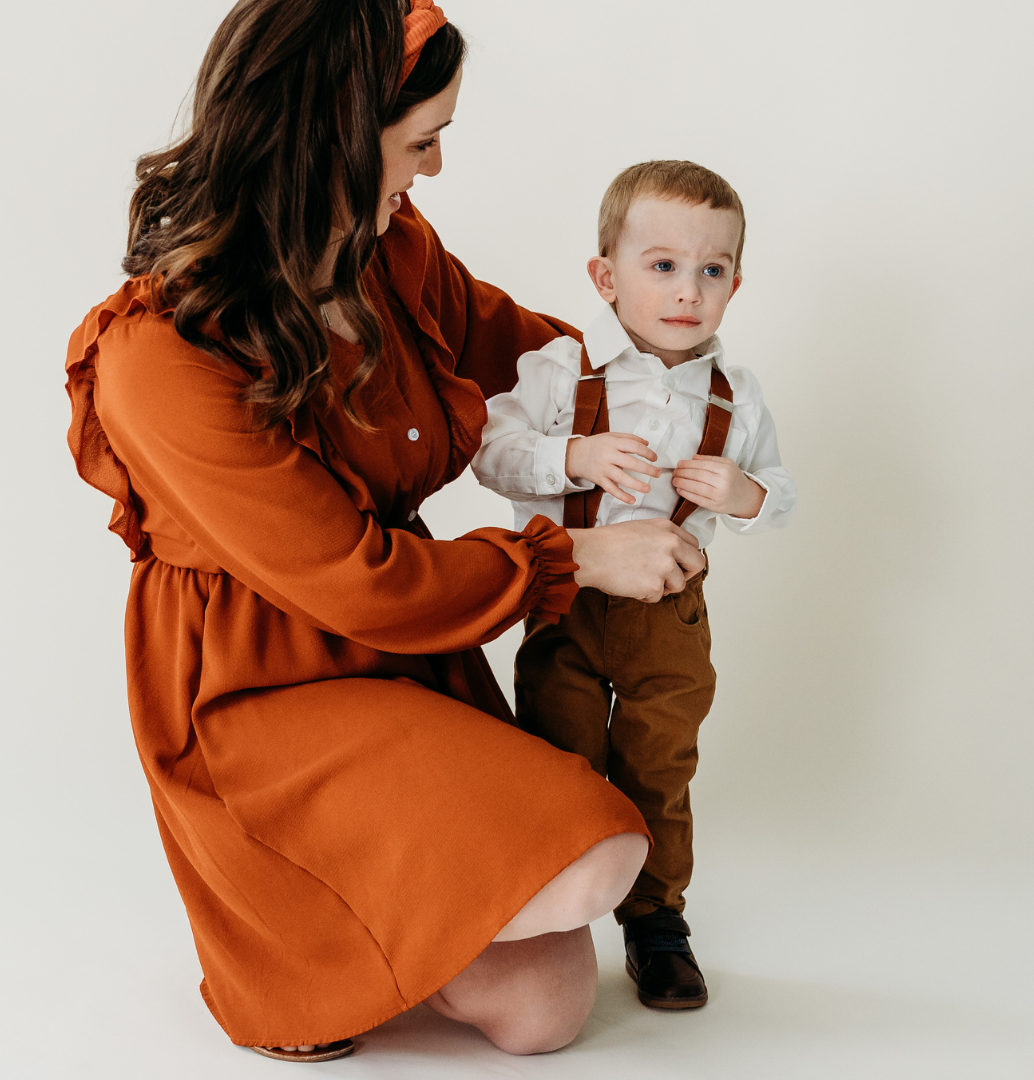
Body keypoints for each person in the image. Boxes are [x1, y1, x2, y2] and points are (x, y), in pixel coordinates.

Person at [64, 1, 708, 1063]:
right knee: (600, 855)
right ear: (328, 134)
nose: (439, 167)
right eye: (422, 141)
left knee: (547, 1008)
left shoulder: (385, 252)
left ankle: (378, 922)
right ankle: (293, 937)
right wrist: (579, 555)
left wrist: (678, 389)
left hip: (410, 656)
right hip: (259, 695)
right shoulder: (156, 357)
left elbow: (535, 361)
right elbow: (353, 577)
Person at [471, 160, 797, 1010]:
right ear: (605, 277)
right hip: (565, 603)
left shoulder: (737, 395)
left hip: (671, 618)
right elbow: (490, 453)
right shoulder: (558, 370)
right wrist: (572, 456)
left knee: (659, 765)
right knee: (562, 755)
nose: (689, 290)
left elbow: (779, 495)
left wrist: (745, 495)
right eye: (662, 265)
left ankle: (656, 921)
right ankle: (556, 906)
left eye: (712, 270)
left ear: (735, 282)